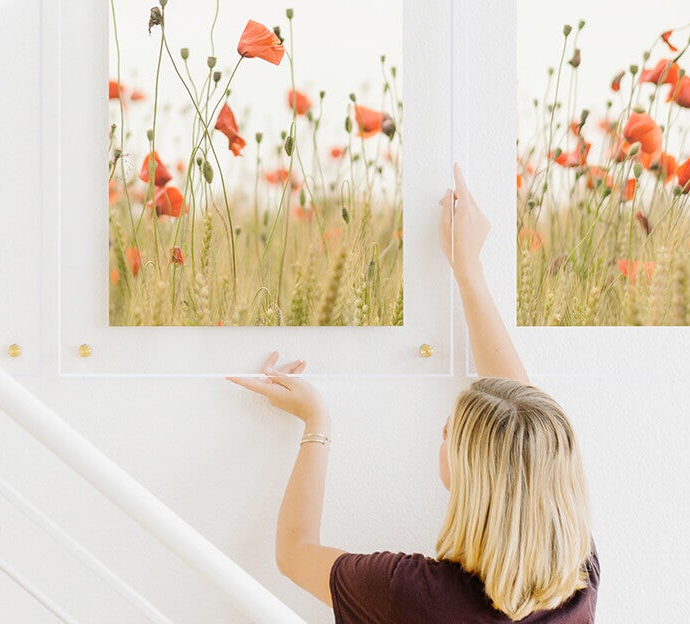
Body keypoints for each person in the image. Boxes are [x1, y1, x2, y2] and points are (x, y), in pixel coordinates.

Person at [228, 164, 598, 623]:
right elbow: (525, 419)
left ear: (472, 477)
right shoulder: (576, 577)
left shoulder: (408, 595)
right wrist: (468, 270)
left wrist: (316, 422)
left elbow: (294, 550)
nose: (442, 428)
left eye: (451, 433)